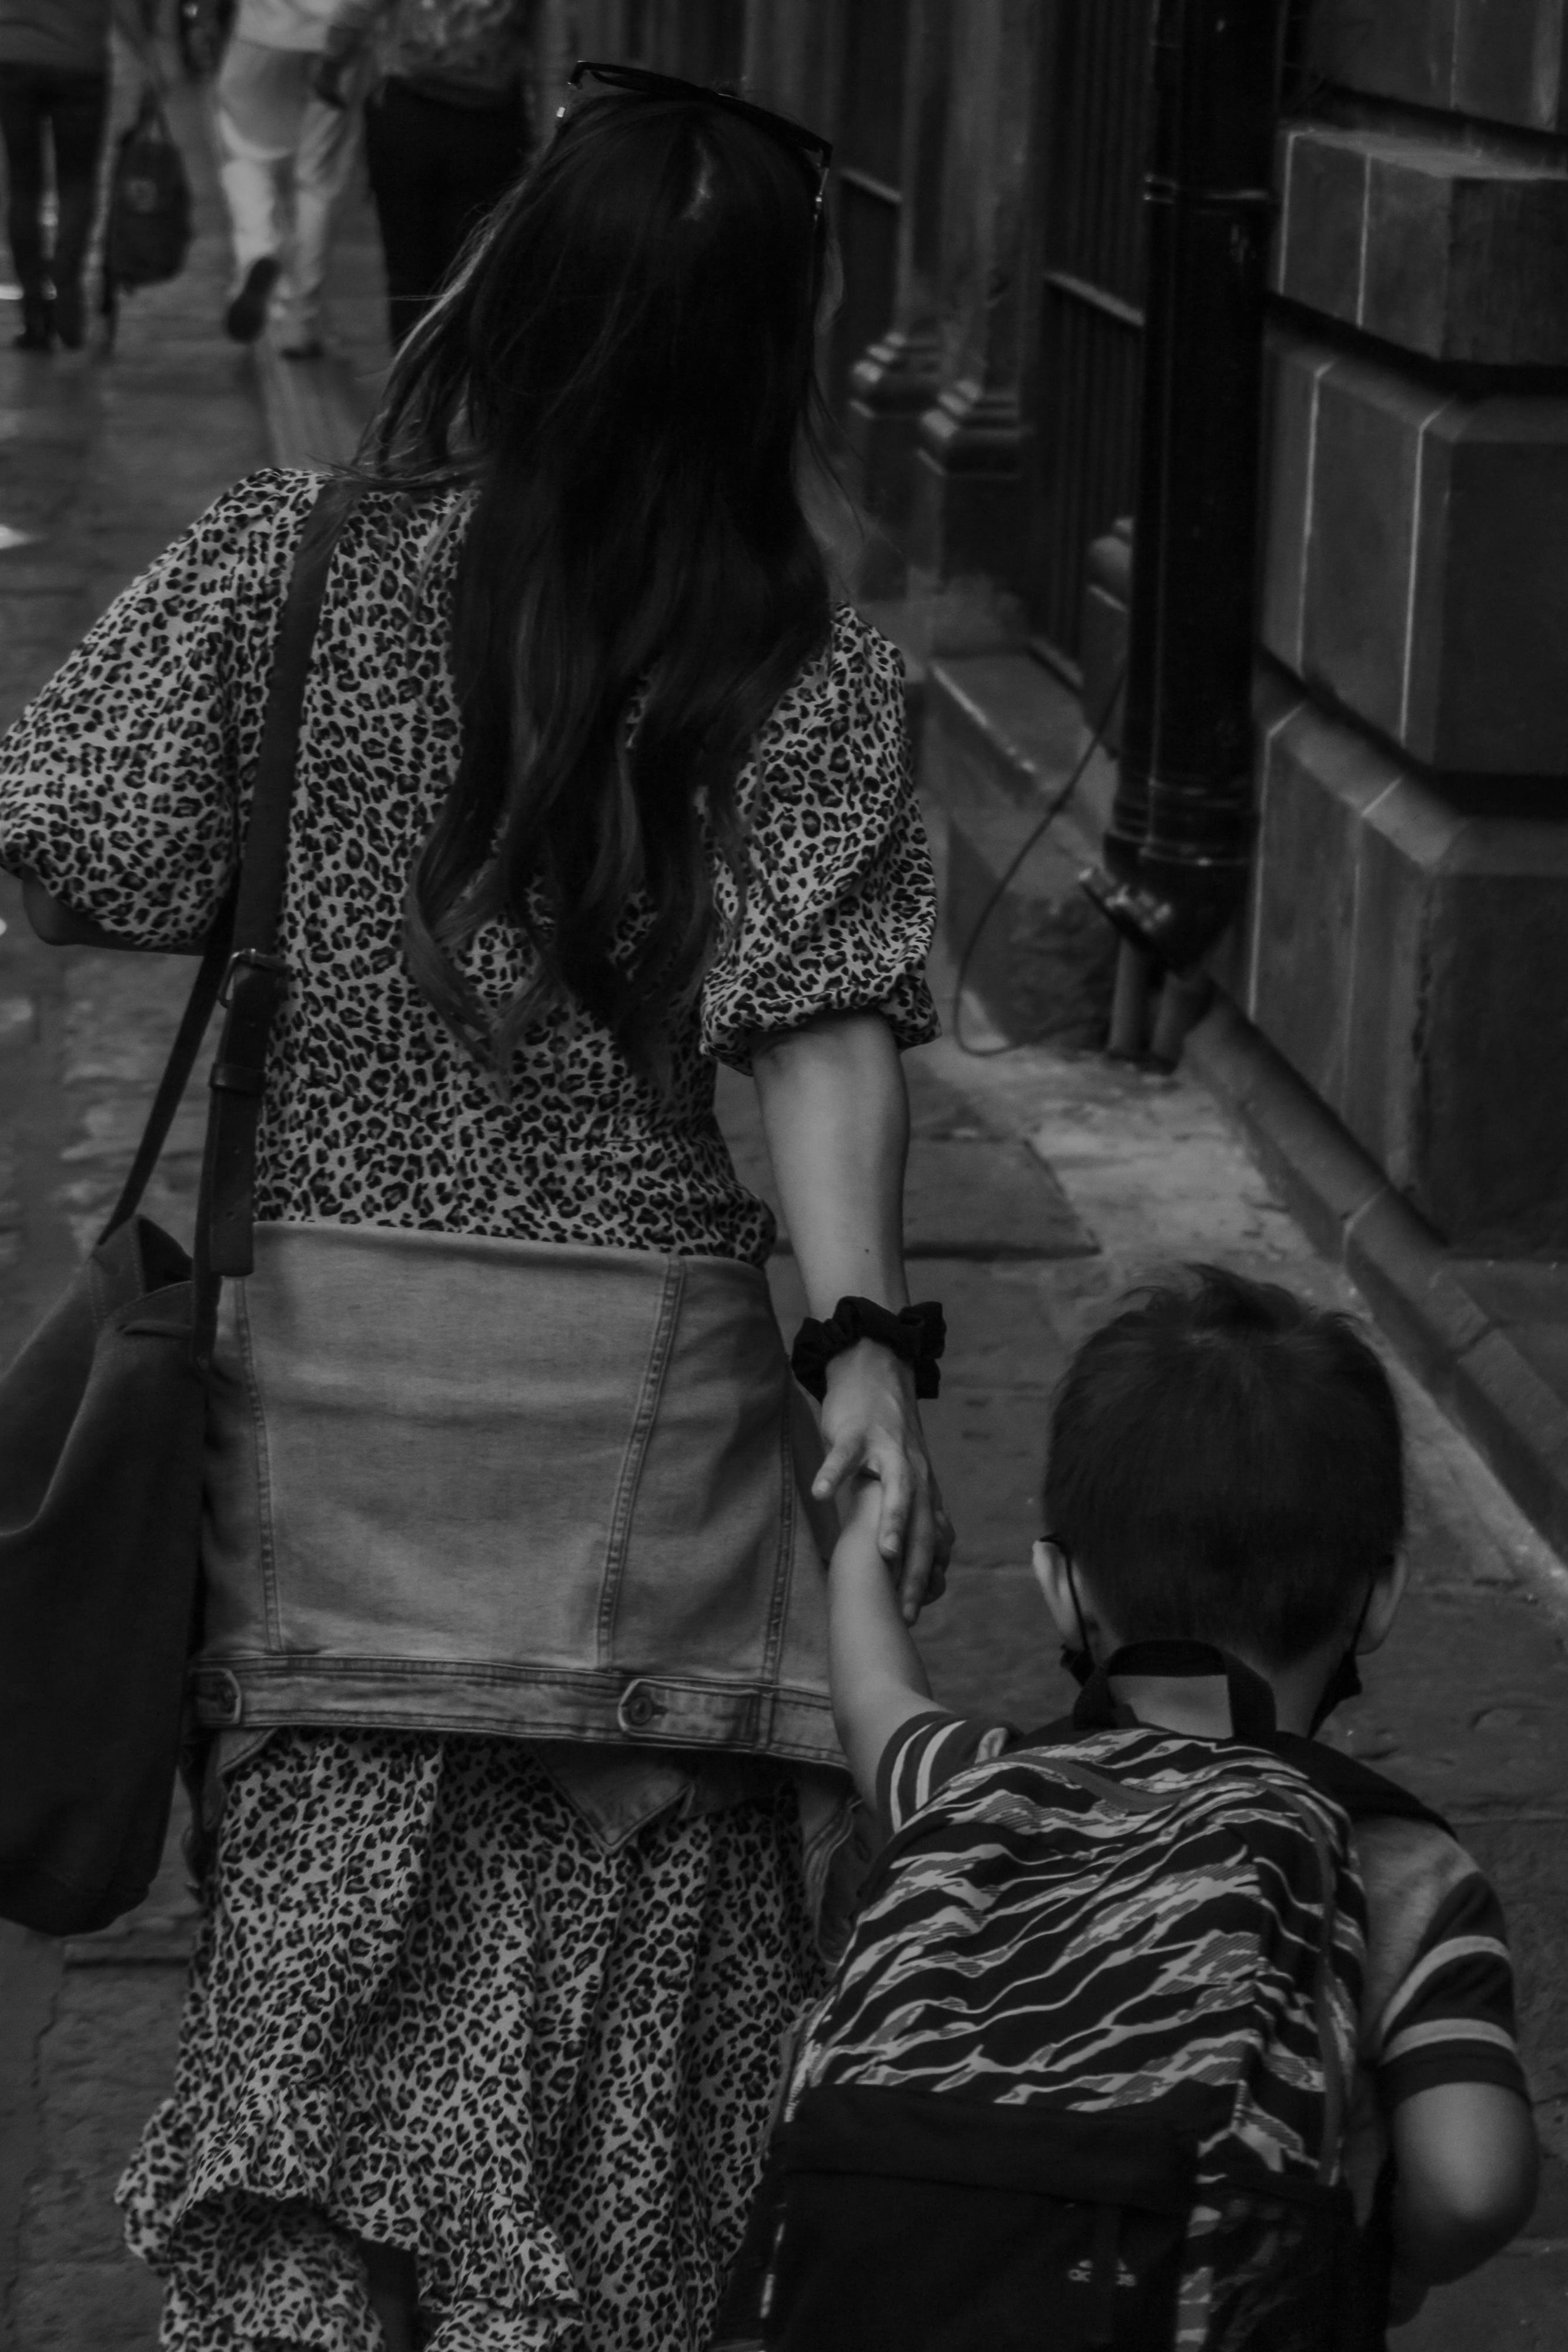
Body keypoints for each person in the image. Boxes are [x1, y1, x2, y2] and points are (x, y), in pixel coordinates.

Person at [0, 62, 951, 2352]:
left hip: (340, 1455)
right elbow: (818, 1032)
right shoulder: (803, 661)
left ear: (507, 304)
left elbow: (69, 837)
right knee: (632, 2098)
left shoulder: (289, 569)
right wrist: (862, 1362)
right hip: (656, 1472)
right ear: (764, 355)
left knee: (318, 2065)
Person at [748, 1267, 1539, 2350]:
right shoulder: (1395, 1866)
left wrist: (869, 1523)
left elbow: (871, 1698)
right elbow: (1473, 2182)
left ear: (1057, 1585)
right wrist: (1364, 2269)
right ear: (1382, 1595)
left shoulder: (970, 1783)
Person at [315, 0, 534, 348]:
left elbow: (360, 6)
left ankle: (412, 388)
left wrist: (331, 62)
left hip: (408, 112)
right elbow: (551, 40)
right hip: (490, 124)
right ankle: (459, 388)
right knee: (474, 271)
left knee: (407, 275)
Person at [0, 0, 151, 350]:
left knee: (23, 188)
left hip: (13, 56)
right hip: (80, 61)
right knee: (78, 181)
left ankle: (34, 313)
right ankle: (66, 281)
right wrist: (150, 60)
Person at [215, 0, 360, 354]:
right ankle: (301, 320)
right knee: (317, 183)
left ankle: (259, 251)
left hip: (259, 37)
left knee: (244, 153)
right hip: (336, 42)